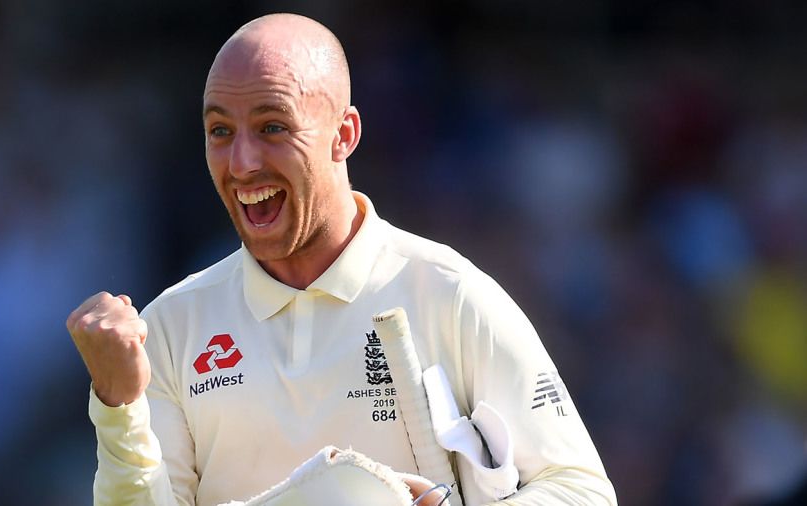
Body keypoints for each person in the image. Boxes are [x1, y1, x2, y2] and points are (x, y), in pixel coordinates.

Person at [66, 13, 617, 506]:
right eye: (220, 132)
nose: (243, 161)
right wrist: (120, 406)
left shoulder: (448, 293)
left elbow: (581, 490)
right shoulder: (172, 327)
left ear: (344, 134)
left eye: (272, 127)